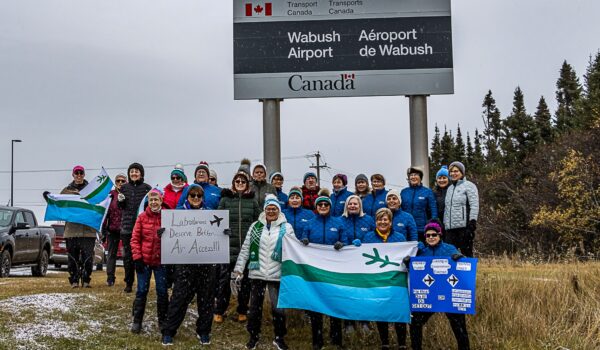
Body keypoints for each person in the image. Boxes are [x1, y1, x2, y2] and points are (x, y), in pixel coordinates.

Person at [162, 184, 221, 346]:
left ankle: (203, 331)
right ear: (187, 197)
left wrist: (224, 233)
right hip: (184, 263)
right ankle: (169, 331)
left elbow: (218, 233)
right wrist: (163, 233)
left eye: (199, 196)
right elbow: (170, 233)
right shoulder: (178, 213)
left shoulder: (210, 214)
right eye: (192, 195)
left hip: (206, 263)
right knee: (179, 297)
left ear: (203, 198)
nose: (195, 198)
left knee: (206, 299)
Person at [233, 195, 294, 350]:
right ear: (264, 210)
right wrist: (239, 269)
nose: (271, 211)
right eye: (268, 208)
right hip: (257, 273)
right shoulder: (255, 226)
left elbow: (293, 250)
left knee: (278, 309)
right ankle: (253, 336)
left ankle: (279, 337)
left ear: (278, 210)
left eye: (274, 209)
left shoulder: (286, 228)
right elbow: (246, 248)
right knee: (254, 308)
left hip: (277, 274)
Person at [408, 222, 470, 350]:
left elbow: (464, 267)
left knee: (459, 325)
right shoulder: (421, 252)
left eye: (434, 235)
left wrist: (460, 258)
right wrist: (408, 262)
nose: (431, 237)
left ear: (440, 235)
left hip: (448, 294)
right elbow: (414, 272)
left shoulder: (449, 248)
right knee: (415, 322)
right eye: (428, 235)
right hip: (429, 296)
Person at [301, 189, 346, 349]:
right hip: (315, 271)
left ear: (330, 206)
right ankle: (317, 341)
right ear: (316, 206)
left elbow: (345, 241)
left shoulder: (338, 223)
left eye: (326, 204)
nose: (323, 206)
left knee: (335, 304)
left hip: (334, 271)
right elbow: (301, 242)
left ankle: (336, 340)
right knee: (316, 306)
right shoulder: (310, 224)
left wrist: (343, 244)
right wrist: (304, 242)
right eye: (320, 204)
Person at [214, 170, 261, 324]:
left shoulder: (252, 201)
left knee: (245, 282)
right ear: (233, 183)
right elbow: (216, 220)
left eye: (243, 181)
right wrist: (223, 229)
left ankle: (242, 310)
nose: (240, 184)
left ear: (247, 184)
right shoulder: (226, 199)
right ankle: (220, 310)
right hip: (227, 248)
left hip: (246, 249)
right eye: (237, 181)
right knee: (224, 281)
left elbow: (258, 222)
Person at [359, 208, 408, 350]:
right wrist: (357, 246)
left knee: (398, 310)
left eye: (385, 219)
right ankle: (385, 343)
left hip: (395, 280)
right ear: (375, 222)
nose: (382, 222)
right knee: (382, 310)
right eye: (379, 219)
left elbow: (405, 256)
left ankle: (402, 344)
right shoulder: (368, 237)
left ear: (391, 222)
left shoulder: (399, 237)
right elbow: (361, 256)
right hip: (377, 280)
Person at [130, 189, 169, 334]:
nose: (154, 202)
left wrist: (165, 234)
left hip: (161, 262)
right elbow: (134, 239)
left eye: (156, 199)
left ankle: (163, 321)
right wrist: (137, 258)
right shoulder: (141, 218)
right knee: (141, 290)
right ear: (148, 202)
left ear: (161, 200)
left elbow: (173, 236)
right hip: (144, 261)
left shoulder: (167, 217)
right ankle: (137, 321)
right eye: (151, 200)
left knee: (162, 291)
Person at [339, 194, 374, 333]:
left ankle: (364, 321)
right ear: (346, 206)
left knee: (362, 291)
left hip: (363, 262)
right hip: (345, 261)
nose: (353, 206)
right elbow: (337, 238)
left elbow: (373, 236)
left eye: (356, 204)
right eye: (350, 204)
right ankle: (348, 323)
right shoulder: (340, 220)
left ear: (360, 206)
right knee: (347, 291)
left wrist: (363, 244)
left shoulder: (368, 220)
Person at [58, 165, 97, 288]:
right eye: (77, 173)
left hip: (88, 230)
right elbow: (58, 204)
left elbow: (100, 203)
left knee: (88, 258)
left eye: (81, 173)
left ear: (84, 174)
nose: (79, 175)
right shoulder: (66, 191)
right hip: (71, 231)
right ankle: (74, 280)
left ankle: (86, 280)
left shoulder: (92, 190)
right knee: (72, 258)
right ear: (73, 175)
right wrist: (48, 197)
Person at [118, 162, 152, 293]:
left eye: (136, 171)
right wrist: (120, 201)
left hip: (143, 228)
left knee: (142, 257)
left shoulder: (147, 188)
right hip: (127, 228)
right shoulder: (124, 188)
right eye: (132, 171)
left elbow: (150, 206)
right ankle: (128, 283)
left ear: (141, 173)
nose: (134, 173)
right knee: (128, 258)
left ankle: (142, 283)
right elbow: (121, 207)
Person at [444, 161, 479, 257]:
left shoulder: (469, 186)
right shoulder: (450, 188)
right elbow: (447, 208)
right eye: (451, 172)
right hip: (450, 229)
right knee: (450, 255)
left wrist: (472, 222)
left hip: (464, 227)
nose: (453, 174)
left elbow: (474, 205)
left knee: (466, 254)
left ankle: (470, 272)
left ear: (462, 173)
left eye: (456, 171)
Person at [400, 167, 438, 242]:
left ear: (420, 177)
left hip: (421, 228)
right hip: (406, 228)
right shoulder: (404, 192)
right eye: (411, 175)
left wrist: (432, 226)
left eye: (416, 175)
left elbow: (433, 210)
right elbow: (400, 209)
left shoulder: (427, 192)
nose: (413, 177)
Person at [103, 173, 127, 286]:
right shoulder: (111, 195)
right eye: (118, 181)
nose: (120, 183)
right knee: (111, 255)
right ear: (115, 182)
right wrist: (103, 230)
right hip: (112, 229)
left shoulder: (129, 194)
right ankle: (110, 278)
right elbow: (105, 213)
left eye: (123, 181)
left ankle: (128, 279)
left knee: (127, 255)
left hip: (126, 229)